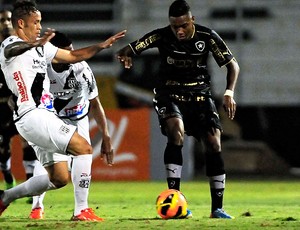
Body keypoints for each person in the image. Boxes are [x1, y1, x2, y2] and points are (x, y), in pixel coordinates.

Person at [0, 0, 125, 221]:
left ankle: (5, 197)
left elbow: (73, 56)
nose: (39, 26)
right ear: (21, 23)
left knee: (58, 178)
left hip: (39, 117)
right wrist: (33, 44)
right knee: (84, 148)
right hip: (33, 114)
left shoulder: (42, 47)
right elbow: (14, 49)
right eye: (35, 22)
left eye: (40, 22)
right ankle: (81, 210)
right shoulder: (10, 44)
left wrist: (101, 46)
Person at [116, 0, 239, 219]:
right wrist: (126, 53)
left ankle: (217, 208)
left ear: (192, 20)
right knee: (176, 131)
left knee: (213, 142)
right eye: (175, 26)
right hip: (169, 93)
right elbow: (134, 47)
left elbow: (232, 65)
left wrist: (229, 92)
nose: (179, 30)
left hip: (200, 95)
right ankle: (176, 200)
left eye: (183, 25)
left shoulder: (207, 37)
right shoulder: (162, 35)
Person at [29, 31, 113, 220]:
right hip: (52, 118)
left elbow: (95, 102)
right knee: (47, 162)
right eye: (67, 52)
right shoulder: (42, 70)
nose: (72, 55)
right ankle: (37, 206)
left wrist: (106, 135)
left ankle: (80, 209)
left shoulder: (82, 69)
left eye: (72, 50)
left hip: (79, 118)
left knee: (84, 155)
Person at [0, 9, 37, 203]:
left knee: (27, 141)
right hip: (0, 108)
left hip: (18, 102)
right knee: (3, 150)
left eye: (8, 19)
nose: (5, 23)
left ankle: (30, 187)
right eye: (2, 20)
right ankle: (7, 175)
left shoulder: (20, 45)